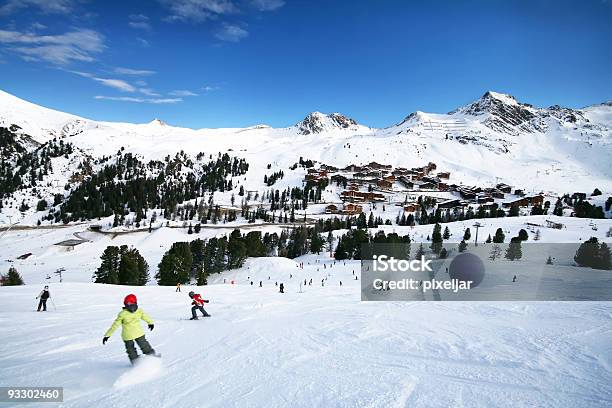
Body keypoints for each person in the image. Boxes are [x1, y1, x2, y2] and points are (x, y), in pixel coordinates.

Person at [103, 294, 156, 364]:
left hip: (127, 336)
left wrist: (107, 335)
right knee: (144, 345)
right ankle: (152, 357)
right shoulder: (139, 311)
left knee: (130, 349)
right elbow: (146, 317)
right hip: (139, 333)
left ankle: (135, 362)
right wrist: (150, 323)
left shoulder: (122, 314)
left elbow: (114, 326)